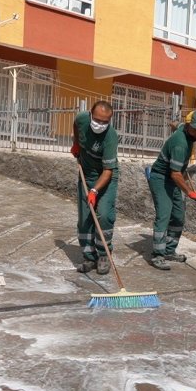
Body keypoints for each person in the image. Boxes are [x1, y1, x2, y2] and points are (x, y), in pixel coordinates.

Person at [148, 111, 196, 270]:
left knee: (178, 216)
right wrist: (190, 192)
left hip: (173, 178)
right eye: (195, 129)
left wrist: (172, 123)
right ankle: (157, 255)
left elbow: (176, 124)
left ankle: (169, 250)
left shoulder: (185, 130)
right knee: (164, 215)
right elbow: (175, 174)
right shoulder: (180, 143)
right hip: (161, 178)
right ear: (188, 127)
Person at [70, 101, 119, 274]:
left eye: (105, 122)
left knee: (104, 216)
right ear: (90, 114)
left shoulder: (110, 137)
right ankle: (89, 257)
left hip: (105, 178)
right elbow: (76, 124)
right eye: (97, 120)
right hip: (86, 172)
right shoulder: (83, 119)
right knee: (84, 219)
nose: (100, 125)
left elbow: (108, 171)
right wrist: (76, 143)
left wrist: (94, 190)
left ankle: (104, 255)